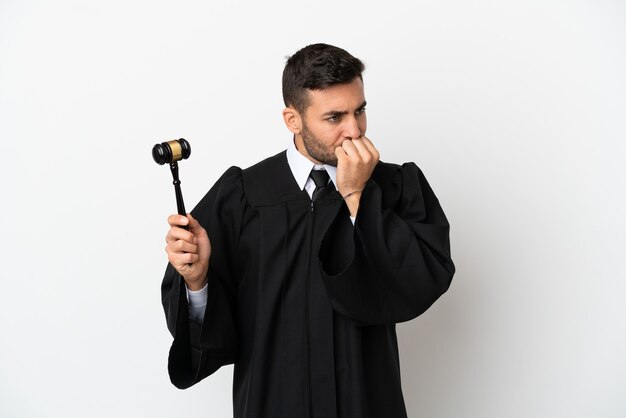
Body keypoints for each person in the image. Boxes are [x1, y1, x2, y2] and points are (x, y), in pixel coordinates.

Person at [161, 43, 455, 418]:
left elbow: (420, 281)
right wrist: (198, 282)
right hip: (272, 402)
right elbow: (212, 332)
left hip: (364, 401)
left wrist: (357, 196)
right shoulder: (243, 196)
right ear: (293, 119)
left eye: (360, 111)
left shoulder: (394, 186)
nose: (354, 130)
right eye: (335, 117)